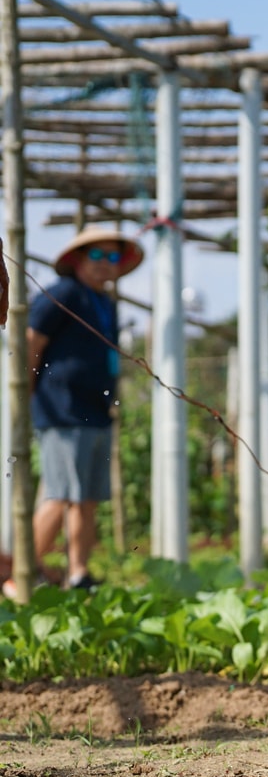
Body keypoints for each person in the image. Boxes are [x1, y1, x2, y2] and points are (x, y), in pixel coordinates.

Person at [4, 228, 143, 598]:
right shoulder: (63, 293)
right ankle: (21, 573)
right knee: (62, 493)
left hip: (95, 411)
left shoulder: (106, 303)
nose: (104, 265)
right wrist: (27, 391)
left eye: (112, 258)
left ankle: (78, 573)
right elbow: (33, 338)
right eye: (96, 256)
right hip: (63, 408)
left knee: (87, 495)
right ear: (79, 260)